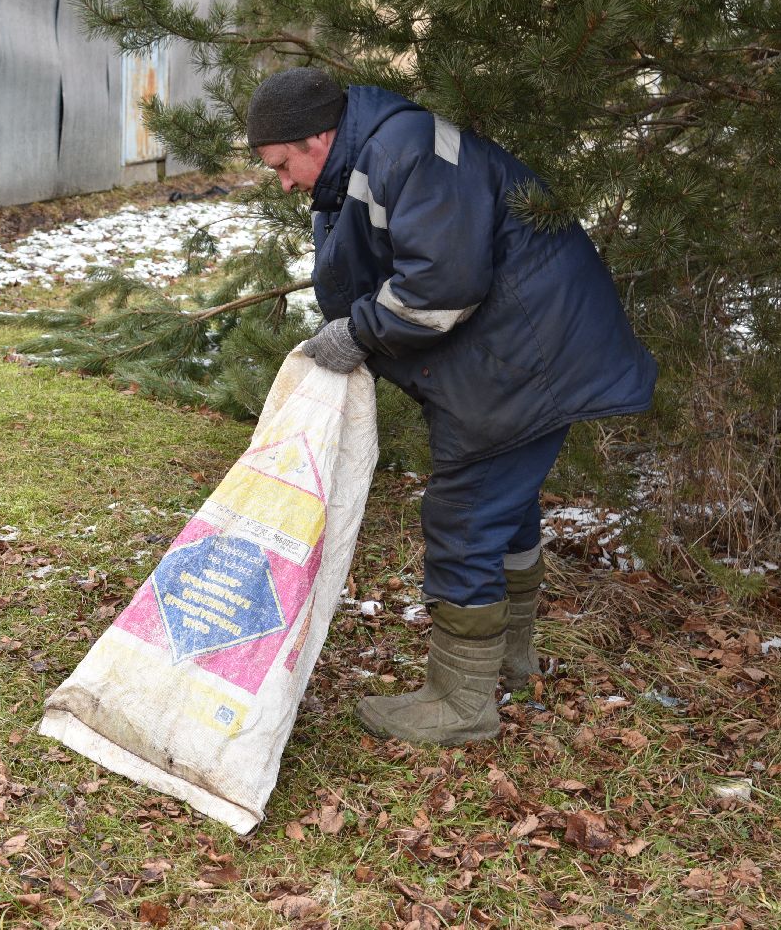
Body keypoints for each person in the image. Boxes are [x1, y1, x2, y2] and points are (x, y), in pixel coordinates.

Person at [247, 67, 657, 747]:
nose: (285, 182)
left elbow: (444, 284)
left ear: (318, 134)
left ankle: (460, 701)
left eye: (283, 164)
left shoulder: (402, 152)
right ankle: (512, 660)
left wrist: (358, 332)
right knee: (505, 505)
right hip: (521, 350)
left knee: (464, 513)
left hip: (527, 356)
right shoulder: (370, 157)